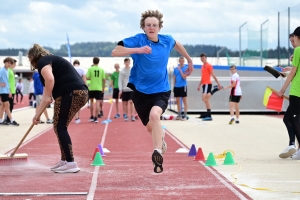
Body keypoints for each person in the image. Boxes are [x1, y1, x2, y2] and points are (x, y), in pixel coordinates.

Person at [111, 10, 193, 173]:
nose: (151, 27)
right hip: (140, 92)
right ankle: (161, 142)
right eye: (148, 25)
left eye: (154, 25)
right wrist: (138, 50)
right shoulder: (137, 40)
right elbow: (115, 51)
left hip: (161, 90)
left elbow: (177, 43)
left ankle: (157, 152)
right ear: (143, 27)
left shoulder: (166, 40)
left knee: (155, 116)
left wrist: (189, 60)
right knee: (151, 127)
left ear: (159, 27)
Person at [28, 44, 88, 173]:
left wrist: (50, 95)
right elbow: (45, 96)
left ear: (33, 57)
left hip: (71, 93)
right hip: (77, 93)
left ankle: (71, 162)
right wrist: (36, 115)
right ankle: (65, 160)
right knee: (59, 126)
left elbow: (50, 79)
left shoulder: (43, 62)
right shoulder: (51, 62)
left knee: (60, 126)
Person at [277, 27, 300, 160]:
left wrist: (282, 90)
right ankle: (293, 145)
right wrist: (290, 68)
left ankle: (293, 145)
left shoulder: (298, 50)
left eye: (294, 39)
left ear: (297, 37)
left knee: (290, 119)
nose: (293, 43)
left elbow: (293, 74)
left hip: (297, 91)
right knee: (292, 119)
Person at [197, 53, 222, 121]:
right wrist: (199, 85)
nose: (202, 59)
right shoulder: (202, 66)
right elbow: (202, 77)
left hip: (208, 83)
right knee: (206, 100)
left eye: (203, 58)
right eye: (201, 58)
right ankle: (209, 115)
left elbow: (213, 75)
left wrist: (218, 84)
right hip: (204, 84)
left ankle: (215, 89)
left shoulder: (209, 65)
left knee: (204, 98)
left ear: (206, 58)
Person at [0, 57, 19, 126]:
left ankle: (1, 120)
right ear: (5, 62)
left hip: (6, 90)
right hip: (2, 91)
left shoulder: (7, 70)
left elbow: (7, 82)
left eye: (10, 63)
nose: (9, 64)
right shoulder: (2, 70)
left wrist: (9, 91)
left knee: (3, 106)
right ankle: (11, 120)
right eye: (7, 62)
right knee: (7, 105)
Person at [86, 57, 105, 123]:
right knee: (97, 102)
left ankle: (91, 116)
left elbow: (87, 77)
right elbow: (104, 80)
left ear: (93, 61)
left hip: (91, 87)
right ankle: (96, 117)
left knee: (91, 102)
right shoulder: (101, 69)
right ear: (98, 62)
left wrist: (91, 78)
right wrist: (103, 88)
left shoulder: (90, 69)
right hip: (99, 88)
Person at [173, 56, 188, 121]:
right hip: (177, 86)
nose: (181, 62)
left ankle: (184, 115)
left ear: (184, 62)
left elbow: (184, 77)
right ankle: (179, 114)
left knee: (184, 100)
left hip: (183, 86)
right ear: (179, 61)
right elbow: (174, 78)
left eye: (182, 61)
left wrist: (180, 70)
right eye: (180, 61)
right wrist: (174, 86)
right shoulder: (175, 69)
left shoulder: (186, 68)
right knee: (178, 100)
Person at [73, 60, 86, 124]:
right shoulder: (82, 69)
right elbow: (84, 80)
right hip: (80, 86)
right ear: (78, 64)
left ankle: (76, 118)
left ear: (74, 64)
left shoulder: (71, 68)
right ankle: (78, 117)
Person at [4, 59, 17, 123]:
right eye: (14, 64)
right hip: (9, 91)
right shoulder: (8, 71)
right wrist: (9, 90)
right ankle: (7, 118)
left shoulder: (11, 71)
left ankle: (8, 118)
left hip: (12, 90)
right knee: (8, 105)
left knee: (11, 105)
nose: (15, 65)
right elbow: (6, 81)